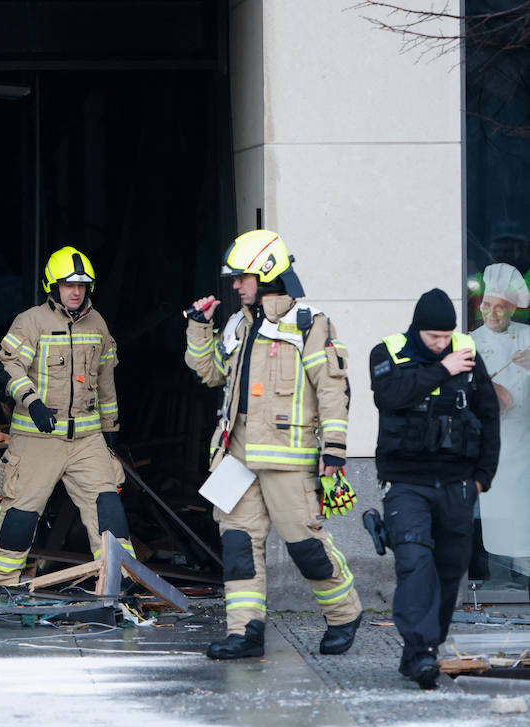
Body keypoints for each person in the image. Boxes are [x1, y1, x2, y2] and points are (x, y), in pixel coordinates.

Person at [184, 229, 363, 659]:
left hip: (288, 460)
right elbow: (210, 374)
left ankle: (344, 614)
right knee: (238, 547)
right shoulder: (237, 325)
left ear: (267, 274)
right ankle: (244, 633)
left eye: (242, 277)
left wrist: (334, 451)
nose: (235, 285)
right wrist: (197, 327)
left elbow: (333, 390)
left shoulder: (308, 324)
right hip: (238, 457)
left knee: (307, 546)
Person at [370, 288, 500, 689]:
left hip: (459, 485)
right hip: (408, 483)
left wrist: (483, 477)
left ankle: (419, 653)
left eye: (447, 337)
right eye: (434, 338)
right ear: (417, 331)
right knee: (414, 563)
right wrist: (444, 367)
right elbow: (390, 396)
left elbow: (489, 415)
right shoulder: (387, 353)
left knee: (449, 571)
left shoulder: (469, 353)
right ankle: (425, 651)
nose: (443, 344)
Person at [0, 245, 132, 584]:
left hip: (87, 440)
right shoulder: (31, 321)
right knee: (19, 516)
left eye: (82, 285)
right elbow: (5, 367)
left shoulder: (98, 324)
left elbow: (106, 379)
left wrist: (111, 429)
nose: (76, 292)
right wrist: (32, 401)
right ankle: (4, 585)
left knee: (108, 513)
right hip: (37, 439)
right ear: (53, 287)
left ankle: (119, 584)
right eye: (69, 285)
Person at [471, 263, 530, 581]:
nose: (492, 314)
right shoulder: (469, 342)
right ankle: (488, 573)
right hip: (490, 443)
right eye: (487, 306)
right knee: (492, 516)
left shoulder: (528, 338)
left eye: (502, 308)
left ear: (514, 311)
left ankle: (523, 573)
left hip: (524, 441)